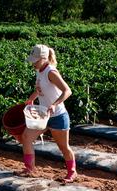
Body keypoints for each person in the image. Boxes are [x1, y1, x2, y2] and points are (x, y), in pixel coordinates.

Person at [22, 44, 77, 183]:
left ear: (44, 58)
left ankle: (72, 172)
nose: (33, 63)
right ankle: (30, 169)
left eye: (35, 60)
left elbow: (67, 91)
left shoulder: (51, 72)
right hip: (43, 116)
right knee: (26, 137)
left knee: (63, 147)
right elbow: (40, 89)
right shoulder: (39, 70)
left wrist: (54, 104)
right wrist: (31, 99)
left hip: (58, 116)